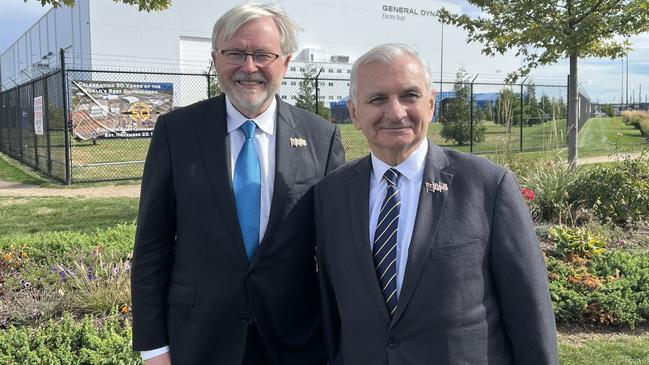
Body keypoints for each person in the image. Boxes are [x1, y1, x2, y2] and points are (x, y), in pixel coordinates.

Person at [315, 43, 558, 365]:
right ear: (355, 112)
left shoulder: (487, 185)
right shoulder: (331, 194)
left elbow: (530, 312)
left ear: (431, 104)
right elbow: (331, 312)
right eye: (377, 99)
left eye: (409, 96)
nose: (396, 112)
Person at [131, 3, 344, 365]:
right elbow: (152, 246)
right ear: (216, 60)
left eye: (263, 54)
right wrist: (154, 348)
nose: (249, 67)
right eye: (235, 53)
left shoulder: (321, 138)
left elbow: (339, 253)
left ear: (286, 63)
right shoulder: (177, 132)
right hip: (200, 339)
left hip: (295, 342)